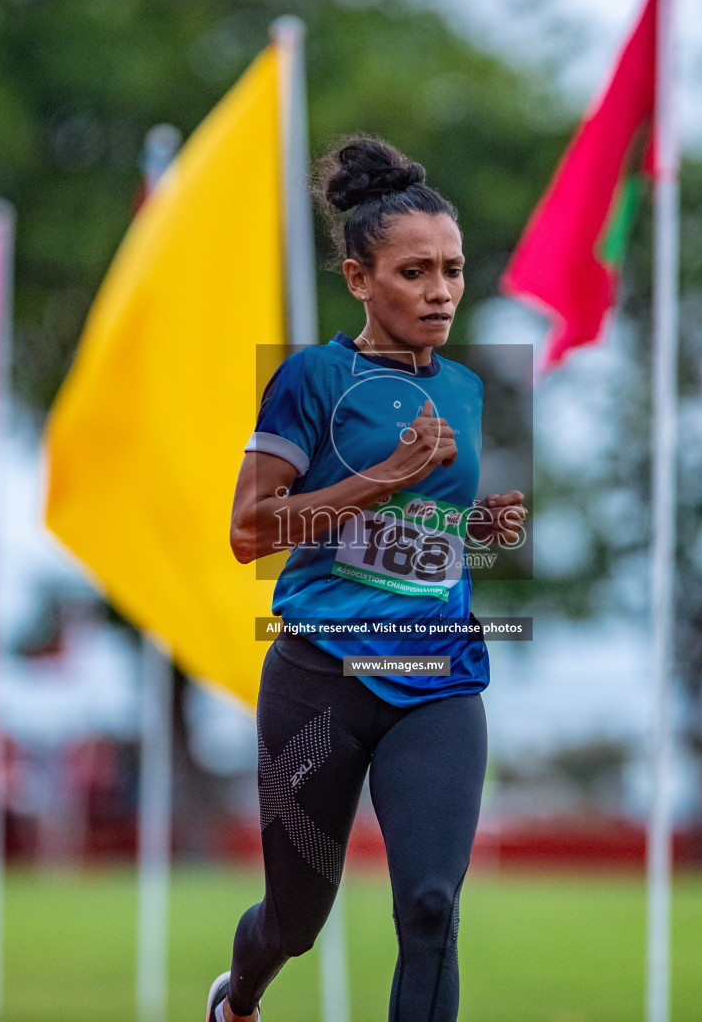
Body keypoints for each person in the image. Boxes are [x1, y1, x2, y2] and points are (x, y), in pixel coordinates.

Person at [208, 136, 526, 1022]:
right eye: (415, 272)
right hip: (319, 680)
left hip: (438, 680)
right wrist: (384, 476)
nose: (441, 292)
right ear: (358, 278)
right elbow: (249, 530)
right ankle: (238, 1003)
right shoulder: (309, 379)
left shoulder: (463, 387)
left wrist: (474, 525)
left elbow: (417, 529)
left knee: (430, 907)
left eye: (454, 272)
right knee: (294, 921)